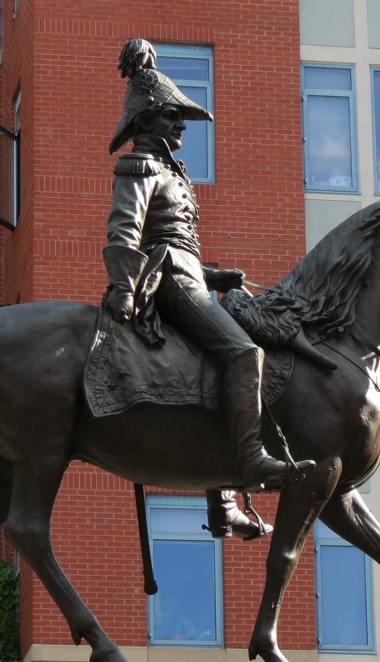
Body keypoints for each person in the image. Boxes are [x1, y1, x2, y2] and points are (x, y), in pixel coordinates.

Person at [103, 39, 307, 540]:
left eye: (181, 117)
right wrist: (126, 288)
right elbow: (125, 236)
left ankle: (223, 505)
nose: (180, 125)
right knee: (243, 355)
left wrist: (215, 278)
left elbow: (176, 242)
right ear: (147, 119)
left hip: (186, 276)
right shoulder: (140, 167)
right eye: (172, 115)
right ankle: (252, 460)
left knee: (215, 371)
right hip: (164, 279)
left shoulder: (174, 173)